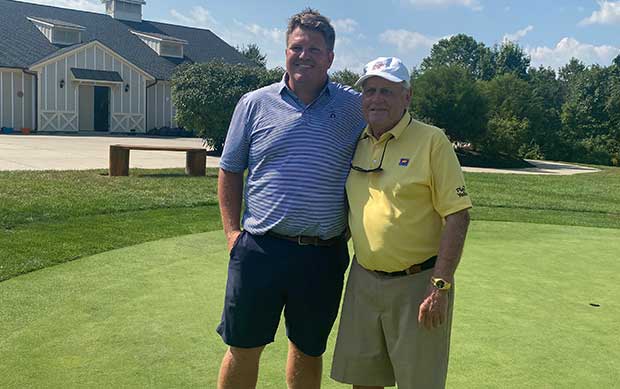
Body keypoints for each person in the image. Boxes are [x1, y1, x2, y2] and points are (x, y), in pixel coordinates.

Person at [215, 8, 365, 389]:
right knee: (243, 347)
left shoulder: (354, 108)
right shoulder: (254, 103)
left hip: (322, 254)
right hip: (260, 250)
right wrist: (233, 234)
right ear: (285, 51)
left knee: (308, 349)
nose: (304, 55)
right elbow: (230, 170)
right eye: (297, 47)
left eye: (315, 49)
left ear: (330, 57)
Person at [330, 57, 472, 389]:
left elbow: (458, 215)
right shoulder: (357, 142)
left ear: (407, 97)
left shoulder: (432, 141)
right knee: (363, 381)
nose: (376, 99)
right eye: (370, 91)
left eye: (387, 91)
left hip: (417, 285)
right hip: (363, 281)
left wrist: (440, 285)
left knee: (419, 382)